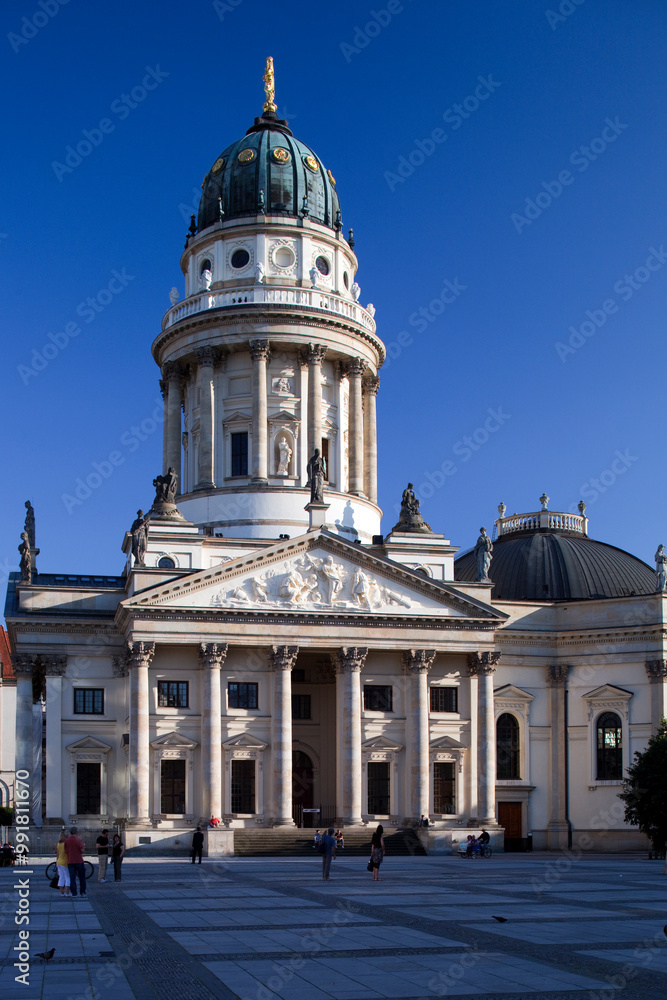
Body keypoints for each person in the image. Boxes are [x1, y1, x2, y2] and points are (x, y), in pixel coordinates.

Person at [64, 827, 87, 898]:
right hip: (79, 860)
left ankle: (74, 893)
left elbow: (65, 851)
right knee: (82, 877)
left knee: (72, 878)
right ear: (76, 832)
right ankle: (82, 892)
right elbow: (82, 850)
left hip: (70, 861)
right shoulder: (79, 840)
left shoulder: (67, 840)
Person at [55, 833, 70, 897]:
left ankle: (61, 892)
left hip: (59, 862)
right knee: (67, 877)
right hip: (65, 862)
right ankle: (67, 892)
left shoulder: (59, 844)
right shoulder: (65, 844)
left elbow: (58, 854)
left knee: (61, 877)